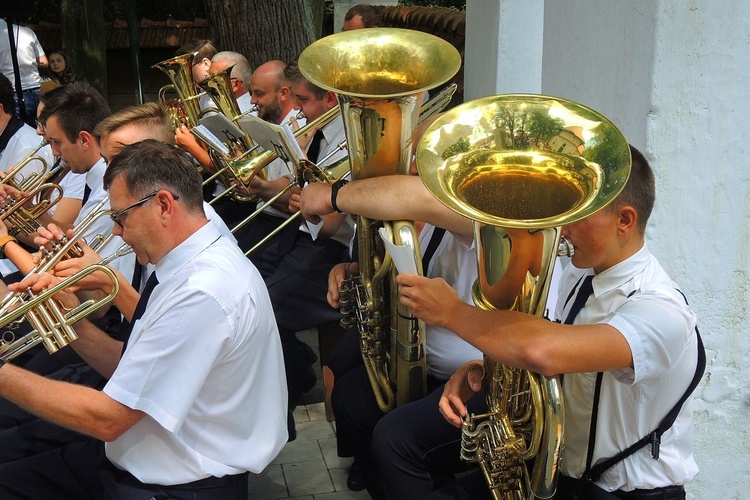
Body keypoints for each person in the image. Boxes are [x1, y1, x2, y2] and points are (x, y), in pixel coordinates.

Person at [372, 145, 700, 499]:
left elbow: (544, 351)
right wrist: (479, 368)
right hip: (563, 473)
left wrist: (452, 312)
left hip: (620, 492)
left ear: (625, 220)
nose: (562, 228)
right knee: (395, 439)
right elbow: (563, 366)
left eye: (577, 215)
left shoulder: (662, 310)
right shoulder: (583, 275)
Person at [0, 139, 288, 499]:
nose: (117, 232)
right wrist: (67, 315)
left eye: (120, 218)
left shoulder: (200, 291)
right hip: (139, 456)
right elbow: (126, 365)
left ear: (164, 205)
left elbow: (108, 418)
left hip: (173, 484)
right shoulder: (193, 248)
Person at [297, 161, 483, 494]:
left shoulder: (478, 209)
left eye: (426, 157)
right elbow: (407, 269)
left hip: (466, 372)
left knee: (390, 436)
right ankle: (374, 473)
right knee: (347, 387)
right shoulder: (429, 221)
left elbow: (418, 198)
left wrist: (334, 195)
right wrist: (349, 269)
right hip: (419, 349)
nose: (414, 163)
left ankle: (400, 476)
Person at [0, 18, 47, 126]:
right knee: (41, 130)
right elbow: (44, 61)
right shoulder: (27, 32)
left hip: (12, 90)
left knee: (18, 130)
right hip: (35, 88)